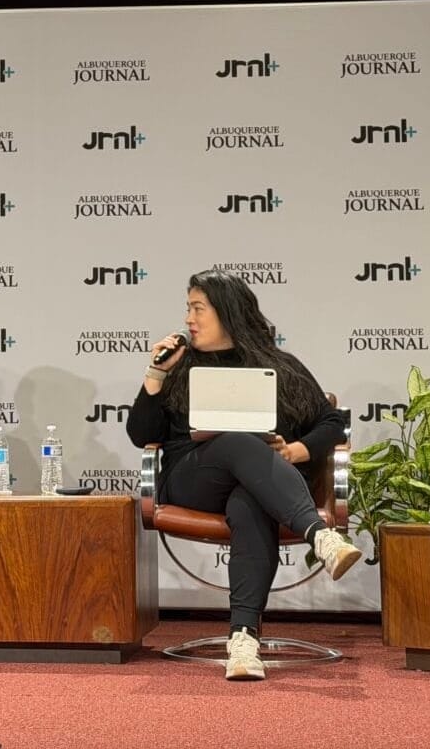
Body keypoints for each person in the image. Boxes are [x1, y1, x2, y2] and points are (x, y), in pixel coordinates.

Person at [126, 269, 362, 681]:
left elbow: (330, 423)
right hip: (191, 479)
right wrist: (156, 374)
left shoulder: (277, 366)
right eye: (188, 309)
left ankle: (243, 640)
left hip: (256, 485)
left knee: (250, 500)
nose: (188, 319)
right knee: (236, 441)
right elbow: (141, 435)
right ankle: (319, 535)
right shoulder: (180, 367)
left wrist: (294, 450)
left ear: (227, 314)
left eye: (198, 309)